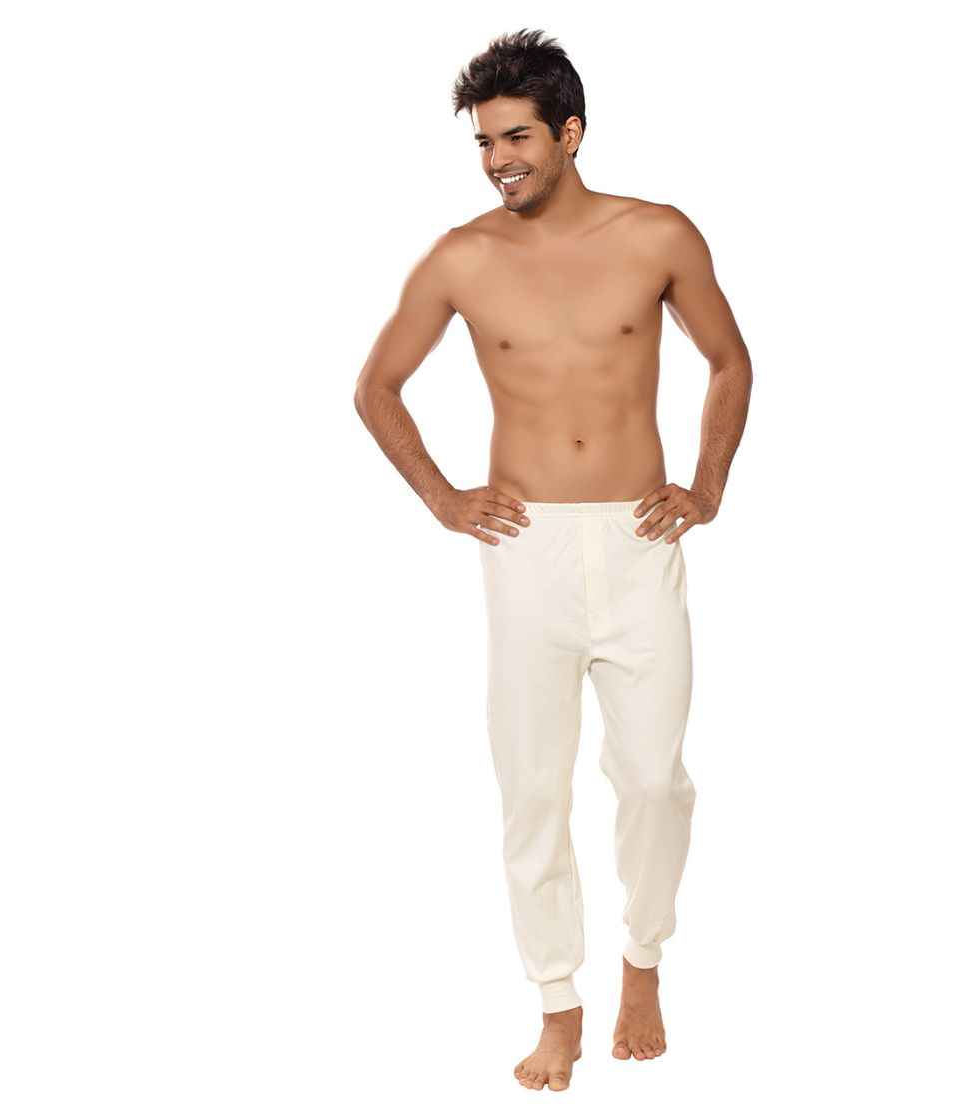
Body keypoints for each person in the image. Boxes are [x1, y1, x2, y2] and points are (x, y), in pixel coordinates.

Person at [353, 27, 751, 1092]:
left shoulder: (657, 233)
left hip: (638, 535)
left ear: (570, 133)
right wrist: (443, 498)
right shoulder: (461, 257)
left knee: (655, 779)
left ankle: (644, 960)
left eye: (516, 137)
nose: (498, 160)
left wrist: (707, 486)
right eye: (484, 142)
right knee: (532, 787)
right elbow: (375, 387)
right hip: (523, 545)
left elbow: (729, 360)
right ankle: (558, 1003)